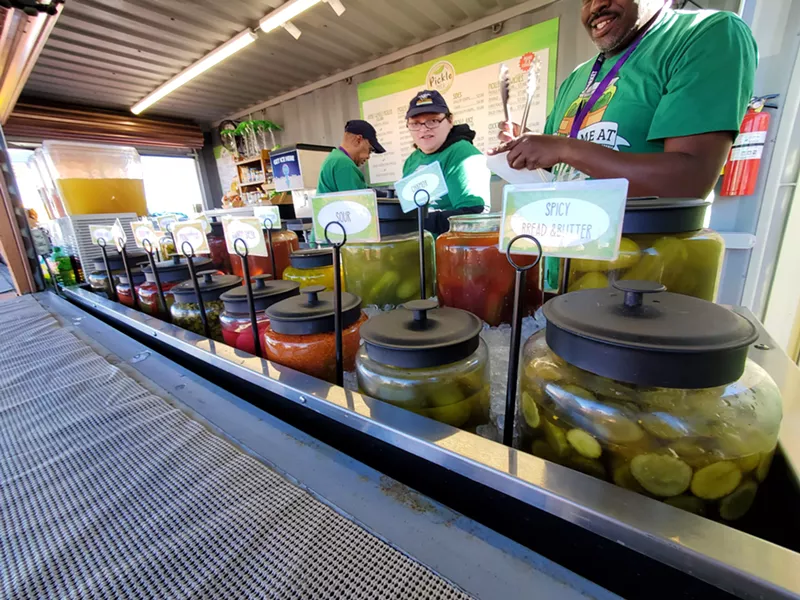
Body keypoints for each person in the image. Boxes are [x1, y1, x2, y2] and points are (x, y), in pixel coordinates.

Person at [491, 0, 758, 199]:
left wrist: (565, 148)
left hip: (647, 259)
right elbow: (556, 172)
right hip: (566, 253)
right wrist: (530, 147)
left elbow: (689, 182)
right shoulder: (578, 76)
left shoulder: (705, 33)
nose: (597, 5)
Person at [402, 90, 490, 235]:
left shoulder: (463, 154)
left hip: (449, 253)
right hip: (415, 250)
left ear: (450, 121)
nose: (423, 129)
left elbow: (473, 217)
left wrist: (414, 222)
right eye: (415, 123)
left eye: (432, 121)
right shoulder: (412, 160)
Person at [317, 120, 385, 194]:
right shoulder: (343, 163)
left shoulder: (335, 157)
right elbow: (357, 202)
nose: (368, 156)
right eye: (370, 150)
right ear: (358, 140)